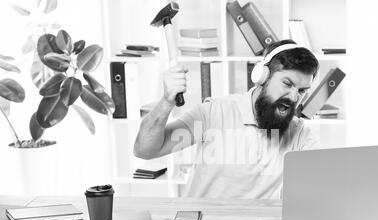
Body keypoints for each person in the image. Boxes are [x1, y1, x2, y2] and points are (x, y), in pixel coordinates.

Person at [134, 40, 320, 199]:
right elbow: (145, 150)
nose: (294, 97)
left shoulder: (300, 134)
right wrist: (167, 101)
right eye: (287, 84)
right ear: (261, 76)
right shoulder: (214, 113)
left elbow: (322, 184)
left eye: (302, 91)